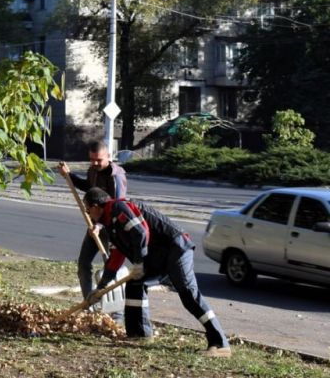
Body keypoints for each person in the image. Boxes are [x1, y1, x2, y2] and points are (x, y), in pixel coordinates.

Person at [83, 187, 231, 357]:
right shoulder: (110, 223)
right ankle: (140, 335)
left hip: (176, 248)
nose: (89, 214)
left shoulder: (118, 208)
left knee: (188, 294)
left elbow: (141, 232)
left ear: (95, 207)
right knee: (135, 284)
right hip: (158, 256)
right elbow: (115, 258)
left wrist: (139, 262)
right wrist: (100, 288)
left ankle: (220, 344)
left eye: (88, 210)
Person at [57, 141, 128, 300]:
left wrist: (101, 225)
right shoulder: (93, 170)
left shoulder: (116, 177)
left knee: (112, 268)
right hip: (94, 224)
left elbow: (118, 206)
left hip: (113, 229)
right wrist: (68, 175)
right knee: (83, 264)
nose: (95, 163)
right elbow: (87, 186)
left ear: (109, 157)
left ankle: (117, 310)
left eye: (99, 160)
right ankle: (88, 302)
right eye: (92, 159)